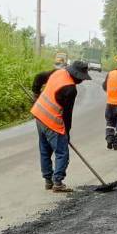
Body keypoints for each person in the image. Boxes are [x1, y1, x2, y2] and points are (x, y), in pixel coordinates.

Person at [31, 61, 91, 193]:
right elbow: (67, 115)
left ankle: (48, 181)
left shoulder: (58, 72)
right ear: (75, 75)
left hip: (39, 115)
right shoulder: (70, 89)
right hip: (51, 121)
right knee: (62, 152)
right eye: (81, 78)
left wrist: (35, 94)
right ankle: (57, 182)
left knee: (45, 150)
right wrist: (66, 133)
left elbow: (38, 77)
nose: (82, 80)